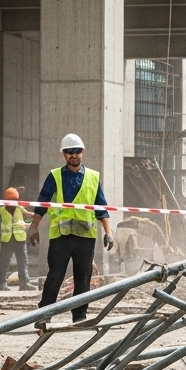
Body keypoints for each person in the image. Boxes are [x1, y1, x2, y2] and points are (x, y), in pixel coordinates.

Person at [27, 133, 114, 327]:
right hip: (61, 236)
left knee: (83, 277)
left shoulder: (92, 177)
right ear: (63, 154)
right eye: (69, 152)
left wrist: (108, 232)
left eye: (76, 151)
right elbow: (42, 203)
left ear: (82, 152)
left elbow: (101, 208)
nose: (73, 155)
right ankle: (44, 314)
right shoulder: (55, 176)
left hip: (85, 237)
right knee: (55, 275)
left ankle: (80, 316)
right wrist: (34, 227)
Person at [0, 187, 31, 291]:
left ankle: (4, 285)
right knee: (9, 262)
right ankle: (4, 284)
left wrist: (37, 214)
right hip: (9, 239)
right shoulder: (4, 209)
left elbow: (28, 214)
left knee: (20, 261)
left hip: (17, 238)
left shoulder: (6, 208)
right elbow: (28, 214)